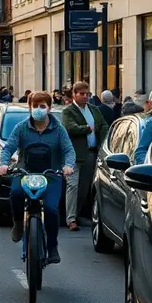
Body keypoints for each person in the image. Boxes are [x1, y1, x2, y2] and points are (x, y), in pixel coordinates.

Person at [0, 91, 76, 264]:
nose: (39, 109)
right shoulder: (21, 127)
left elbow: (68, 150)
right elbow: (9, 147)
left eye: (43, 106)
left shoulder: (58, 129)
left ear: (49, 108)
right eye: (35, 106)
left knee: (51, 209)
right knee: (16, 193)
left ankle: (53, 246)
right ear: (30, 108)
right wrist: (3, 164)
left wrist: (68, 166)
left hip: (51, 175)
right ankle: (18, 223)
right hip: (25, 172)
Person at [60, 81, 108, 231]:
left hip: (91, 153)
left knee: (84, 188)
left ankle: (79, 214)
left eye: (87, 94)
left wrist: (104, 137)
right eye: (82, 94)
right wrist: (87, 129)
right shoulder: (68, 111)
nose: (85, 97)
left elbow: (103, 125)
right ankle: (70, 219)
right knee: (72, 186)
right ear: (74, 94)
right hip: (74, 155)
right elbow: (70, 128)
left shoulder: (94, 109)